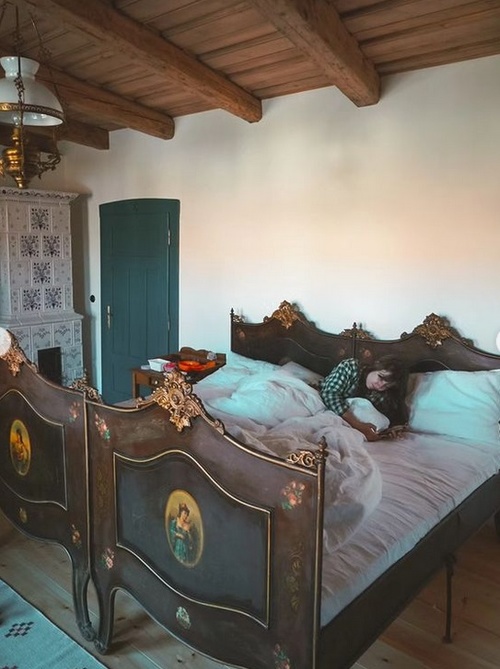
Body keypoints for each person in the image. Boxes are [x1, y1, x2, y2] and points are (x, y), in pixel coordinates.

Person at [320, 355, 408, 441]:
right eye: (380, 378)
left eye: (386, 385)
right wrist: (359, 426)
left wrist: (389, 431)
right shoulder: (351, 367)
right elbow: (329, 394)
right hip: (323, 405)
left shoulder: (383, 395)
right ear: (375, 366)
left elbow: (386, 419)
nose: (380, 386)